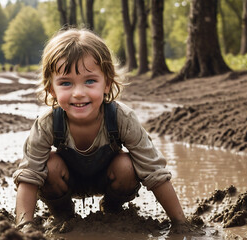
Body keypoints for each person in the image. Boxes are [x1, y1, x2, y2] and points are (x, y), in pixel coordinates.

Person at [12, 28, 186, 232]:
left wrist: (180, 223)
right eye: (66, 83)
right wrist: (23, 227)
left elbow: (155, 171)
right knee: (48, 165)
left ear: (107, 83)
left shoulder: (122, 118)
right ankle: (63, 214)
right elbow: (29, 176)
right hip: (66, 182)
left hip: (110, 179)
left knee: (127, 165)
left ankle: (112, 208)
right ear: (52, 89)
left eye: (90, 81)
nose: (78, 93)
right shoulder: (47, 123)